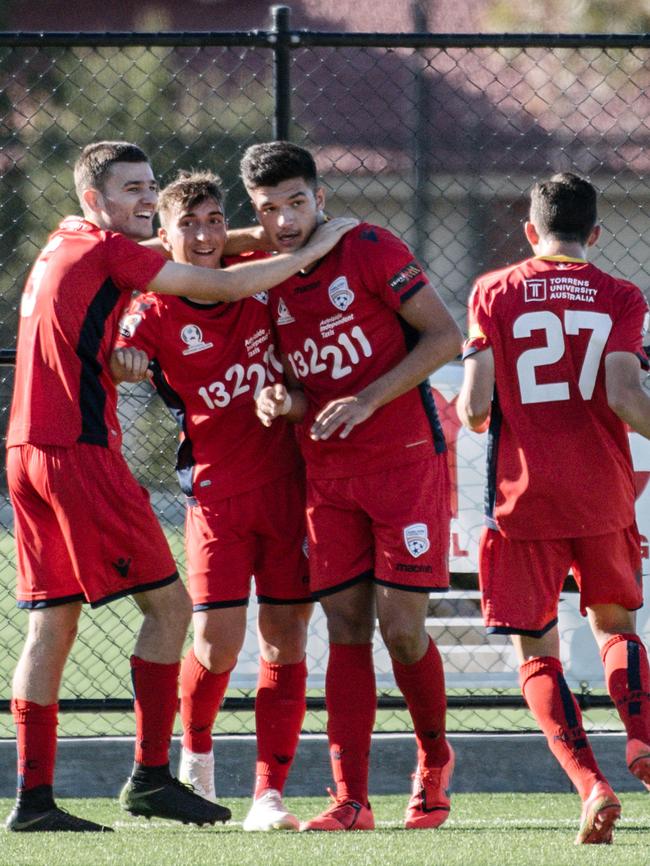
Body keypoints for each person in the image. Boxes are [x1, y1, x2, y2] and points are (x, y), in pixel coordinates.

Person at [4, 140, 356, 833]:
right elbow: (219, 283)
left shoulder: (64, 238)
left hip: (23, 452)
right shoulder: (112, 250)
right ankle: (152, 775)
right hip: (80, 452)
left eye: (148, 185)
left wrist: (268, 234)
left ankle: (34, 803)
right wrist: (320, 242)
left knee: (51, 625)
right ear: (93, 202)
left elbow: (199, 250)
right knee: (171, 613)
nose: (142, 197)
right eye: (129, 189)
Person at [246, 141, 462, 831]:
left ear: (320, 198)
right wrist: (287, 404)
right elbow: (310, 390)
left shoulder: (370, 246)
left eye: (296, 203)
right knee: (343, 629)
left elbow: (444, 337)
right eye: (268, 209)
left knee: (402, 633)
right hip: (327, 473)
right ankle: (352, 799)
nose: (283, 220)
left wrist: (369, 399)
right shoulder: (267, 272)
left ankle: (433, 761)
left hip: (403, 462)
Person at [112, 170, 312, 832]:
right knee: (217, 642)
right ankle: (195, 758)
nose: (202, 236)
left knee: (285, 638)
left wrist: (286, 402)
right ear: (163, 236)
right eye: (187, 225)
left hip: (289, 485)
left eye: (213, 221)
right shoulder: (154, 307)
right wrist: (124, 360)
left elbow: (284, 238)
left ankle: (269, 794)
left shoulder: (254, 273)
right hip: (218, 491)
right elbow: (122, 350)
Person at [456, 172, 650, 845]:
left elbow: (476, 410)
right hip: (603, 491)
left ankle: (591, 785)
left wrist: (474, 408)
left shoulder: (494, 290)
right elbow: (626, 395)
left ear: (530, 233)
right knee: (615, 625)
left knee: (535, 649)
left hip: (524, 497)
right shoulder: (621, 294)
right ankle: (641, 739)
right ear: (594, 235)